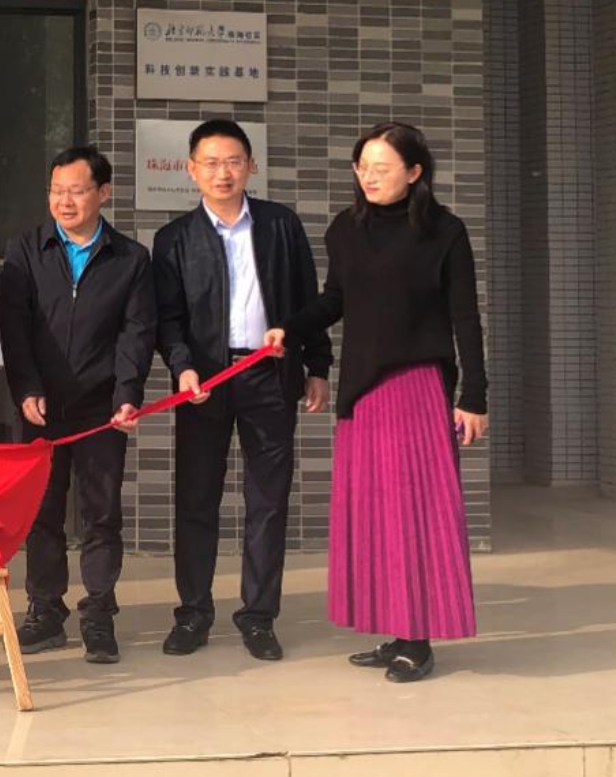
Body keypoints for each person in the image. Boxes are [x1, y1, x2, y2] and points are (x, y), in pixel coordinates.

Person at [265, 121, 487, 683]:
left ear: (415, 173)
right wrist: (288, 329)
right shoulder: (346, 228)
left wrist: (474, 396)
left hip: (418, 386)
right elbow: (335, 300)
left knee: (416, 514)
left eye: (381, 168)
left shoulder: (446, 232)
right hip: (362, 392)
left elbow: (465, 318)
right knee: (374, 515)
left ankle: (419, 638)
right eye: (362, 166)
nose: (368, 176)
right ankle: (395, 629)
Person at [152, 119, 332, 662]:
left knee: (268, 501)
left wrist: (317, 364)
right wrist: (182, 368)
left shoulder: (280, 225)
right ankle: (194, 612)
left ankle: (258, 617)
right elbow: (168, 318)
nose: (222, 172)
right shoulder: (175, 239)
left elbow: (308, 300)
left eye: (232, 160)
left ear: (251, 165)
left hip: (269, 377)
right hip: (204, 383)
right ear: (191, 170)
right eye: (210, 162)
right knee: (197, 499)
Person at [0, 146, 156, 664]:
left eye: (77, 190)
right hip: (39, 407)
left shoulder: (130, 259)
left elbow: (136, 335)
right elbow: (14, 330)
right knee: (42, 513)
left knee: (100, 513)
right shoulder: (26, 250)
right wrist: (25, 389)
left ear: (103, 193)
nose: (64, 201)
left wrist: (127, 396)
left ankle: (99, 616)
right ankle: (45, 613)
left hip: (100, 409)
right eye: (56, 191)